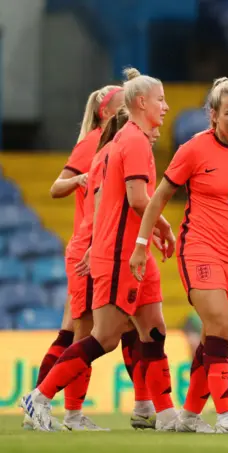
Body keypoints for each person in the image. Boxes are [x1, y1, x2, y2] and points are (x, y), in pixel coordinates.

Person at [20, 68, 177, 432]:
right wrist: (161, 228)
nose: (167, 107)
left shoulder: (118, 143)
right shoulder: (129, 142)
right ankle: (41, 399)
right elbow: (137, 200)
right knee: (100, 336)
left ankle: (165, 414)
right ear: (140, 103)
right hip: (122, 253)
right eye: (160, 99)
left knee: (152, 331)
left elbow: (105, 201)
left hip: (127, 250)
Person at [129, 77, 228, 434]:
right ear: (213, 115)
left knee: (219, 336)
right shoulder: (193, 150)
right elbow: (157, 199)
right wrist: (141, 245)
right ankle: (226, 414)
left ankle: (189, 416)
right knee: (218, 325)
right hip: (198, 247)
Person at [23, 85, 124, 432]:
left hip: (103, 244)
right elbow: (56, 187)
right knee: (85, 333)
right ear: (105, 112)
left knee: (73, 332)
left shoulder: (120, 143)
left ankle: (50, 409)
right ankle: (59, 407)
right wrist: (83, 177)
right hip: (90, 246)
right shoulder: (93, 142)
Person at [73, 109, 162, 430]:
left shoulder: (119, 151)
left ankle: (148, 407)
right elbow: (102, 204)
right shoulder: (112, 153)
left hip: (116, 250)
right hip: (106, 252)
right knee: (89, 334)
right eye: (157, 105)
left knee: (138, 331)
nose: (161, 114)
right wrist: (93, 244)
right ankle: (46, 402)